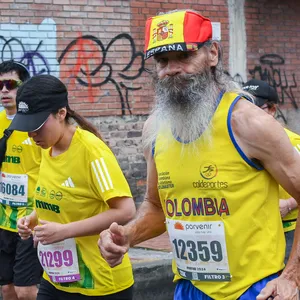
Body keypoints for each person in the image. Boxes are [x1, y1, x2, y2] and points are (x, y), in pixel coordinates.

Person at [98, 9, 300, 300]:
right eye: (163, 61)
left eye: (184, 56)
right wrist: (127, 236)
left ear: (213, 53)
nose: (172, 69)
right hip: (189, 288)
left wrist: (291, 277)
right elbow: (156, 208)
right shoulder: (154, 129)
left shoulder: (249, 123)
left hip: (253, 290)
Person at [14, 74, 136, 300]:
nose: (32, 136)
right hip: (56, 279)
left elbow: (126, 210)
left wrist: (63, 232)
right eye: (28, 128)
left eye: (37, 127)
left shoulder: (91, 151)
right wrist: (32, 219)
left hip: (100, 284)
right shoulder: (47, 148)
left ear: (61, 113)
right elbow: (57, 197)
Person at [243, 79, 300, 265]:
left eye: (255, 108)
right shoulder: (236, 143)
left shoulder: (293, 141)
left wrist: (289, 205)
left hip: (288, 229)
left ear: (272, 110)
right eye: (243, 106)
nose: (247, 114)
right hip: (255, 232)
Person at [0, 61, 42, 300]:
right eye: (0, 85)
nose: (4, 90)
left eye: (11, 84)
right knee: (6, 290)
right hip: (3, 220)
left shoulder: (36, 125)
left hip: (29, 220)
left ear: (23, 87)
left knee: (26, 290)